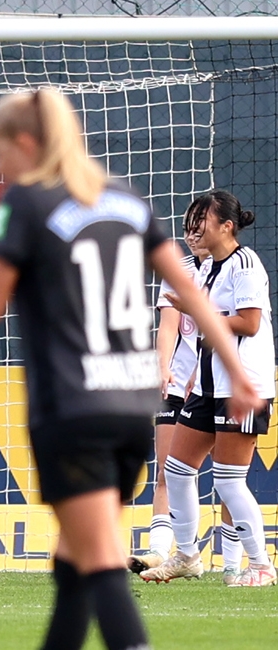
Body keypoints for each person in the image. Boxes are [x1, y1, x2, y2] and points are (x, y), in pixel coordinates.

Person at [0, 89, 260, 650]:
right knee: (74, 558)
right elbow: (189, 292)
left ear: (26, 144)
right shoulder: (126, 199)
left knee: (98, 558)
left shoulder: (26, 203)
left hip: (72, 404)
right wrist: (237, 370)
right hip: (130, 406)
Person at [140, 190, 276, 588]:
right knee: (178, 469)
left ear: (227, 226)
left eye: (203, 219)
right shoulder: (204, 269)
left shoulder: (245, 265)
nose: (195, 227)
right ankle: (186, 555)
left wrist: (198, 311)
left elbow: (249, 323)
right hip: (206, 385)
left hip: (242, 386)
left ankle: (261, 564)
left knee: (229, 481)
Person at [127, 224, 245, 582]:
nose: (193, 236)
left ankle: (234, 562)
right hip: (179, 385)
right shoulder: (179, 271)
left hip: (220, 384)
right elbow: (168, 327)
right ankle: (163, 550)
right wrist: (163, 368)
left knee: (228, 479)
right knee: (169, 468)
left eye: (200, 228)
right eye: (188, 230)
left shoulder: (238, 269)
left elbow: (243, 324)